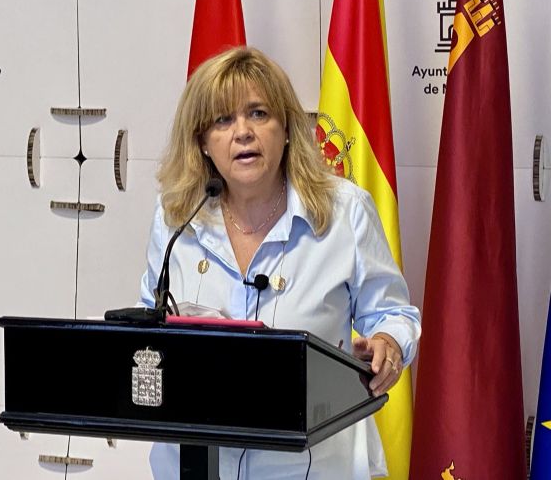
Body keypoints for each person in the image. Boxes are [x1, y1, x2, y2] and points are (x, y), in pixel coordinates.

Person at [138, 46, 421, 480]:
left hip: (312, 466)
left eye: (258, 114)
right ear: (202, 142)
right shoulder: (176, 217)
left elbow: (394, 313)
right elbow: (148, 325)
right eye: (222, 120)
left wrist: (389, 343)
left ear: (286, 128)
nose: (243, 133)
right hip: (195, 464)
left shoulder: (344, 212)